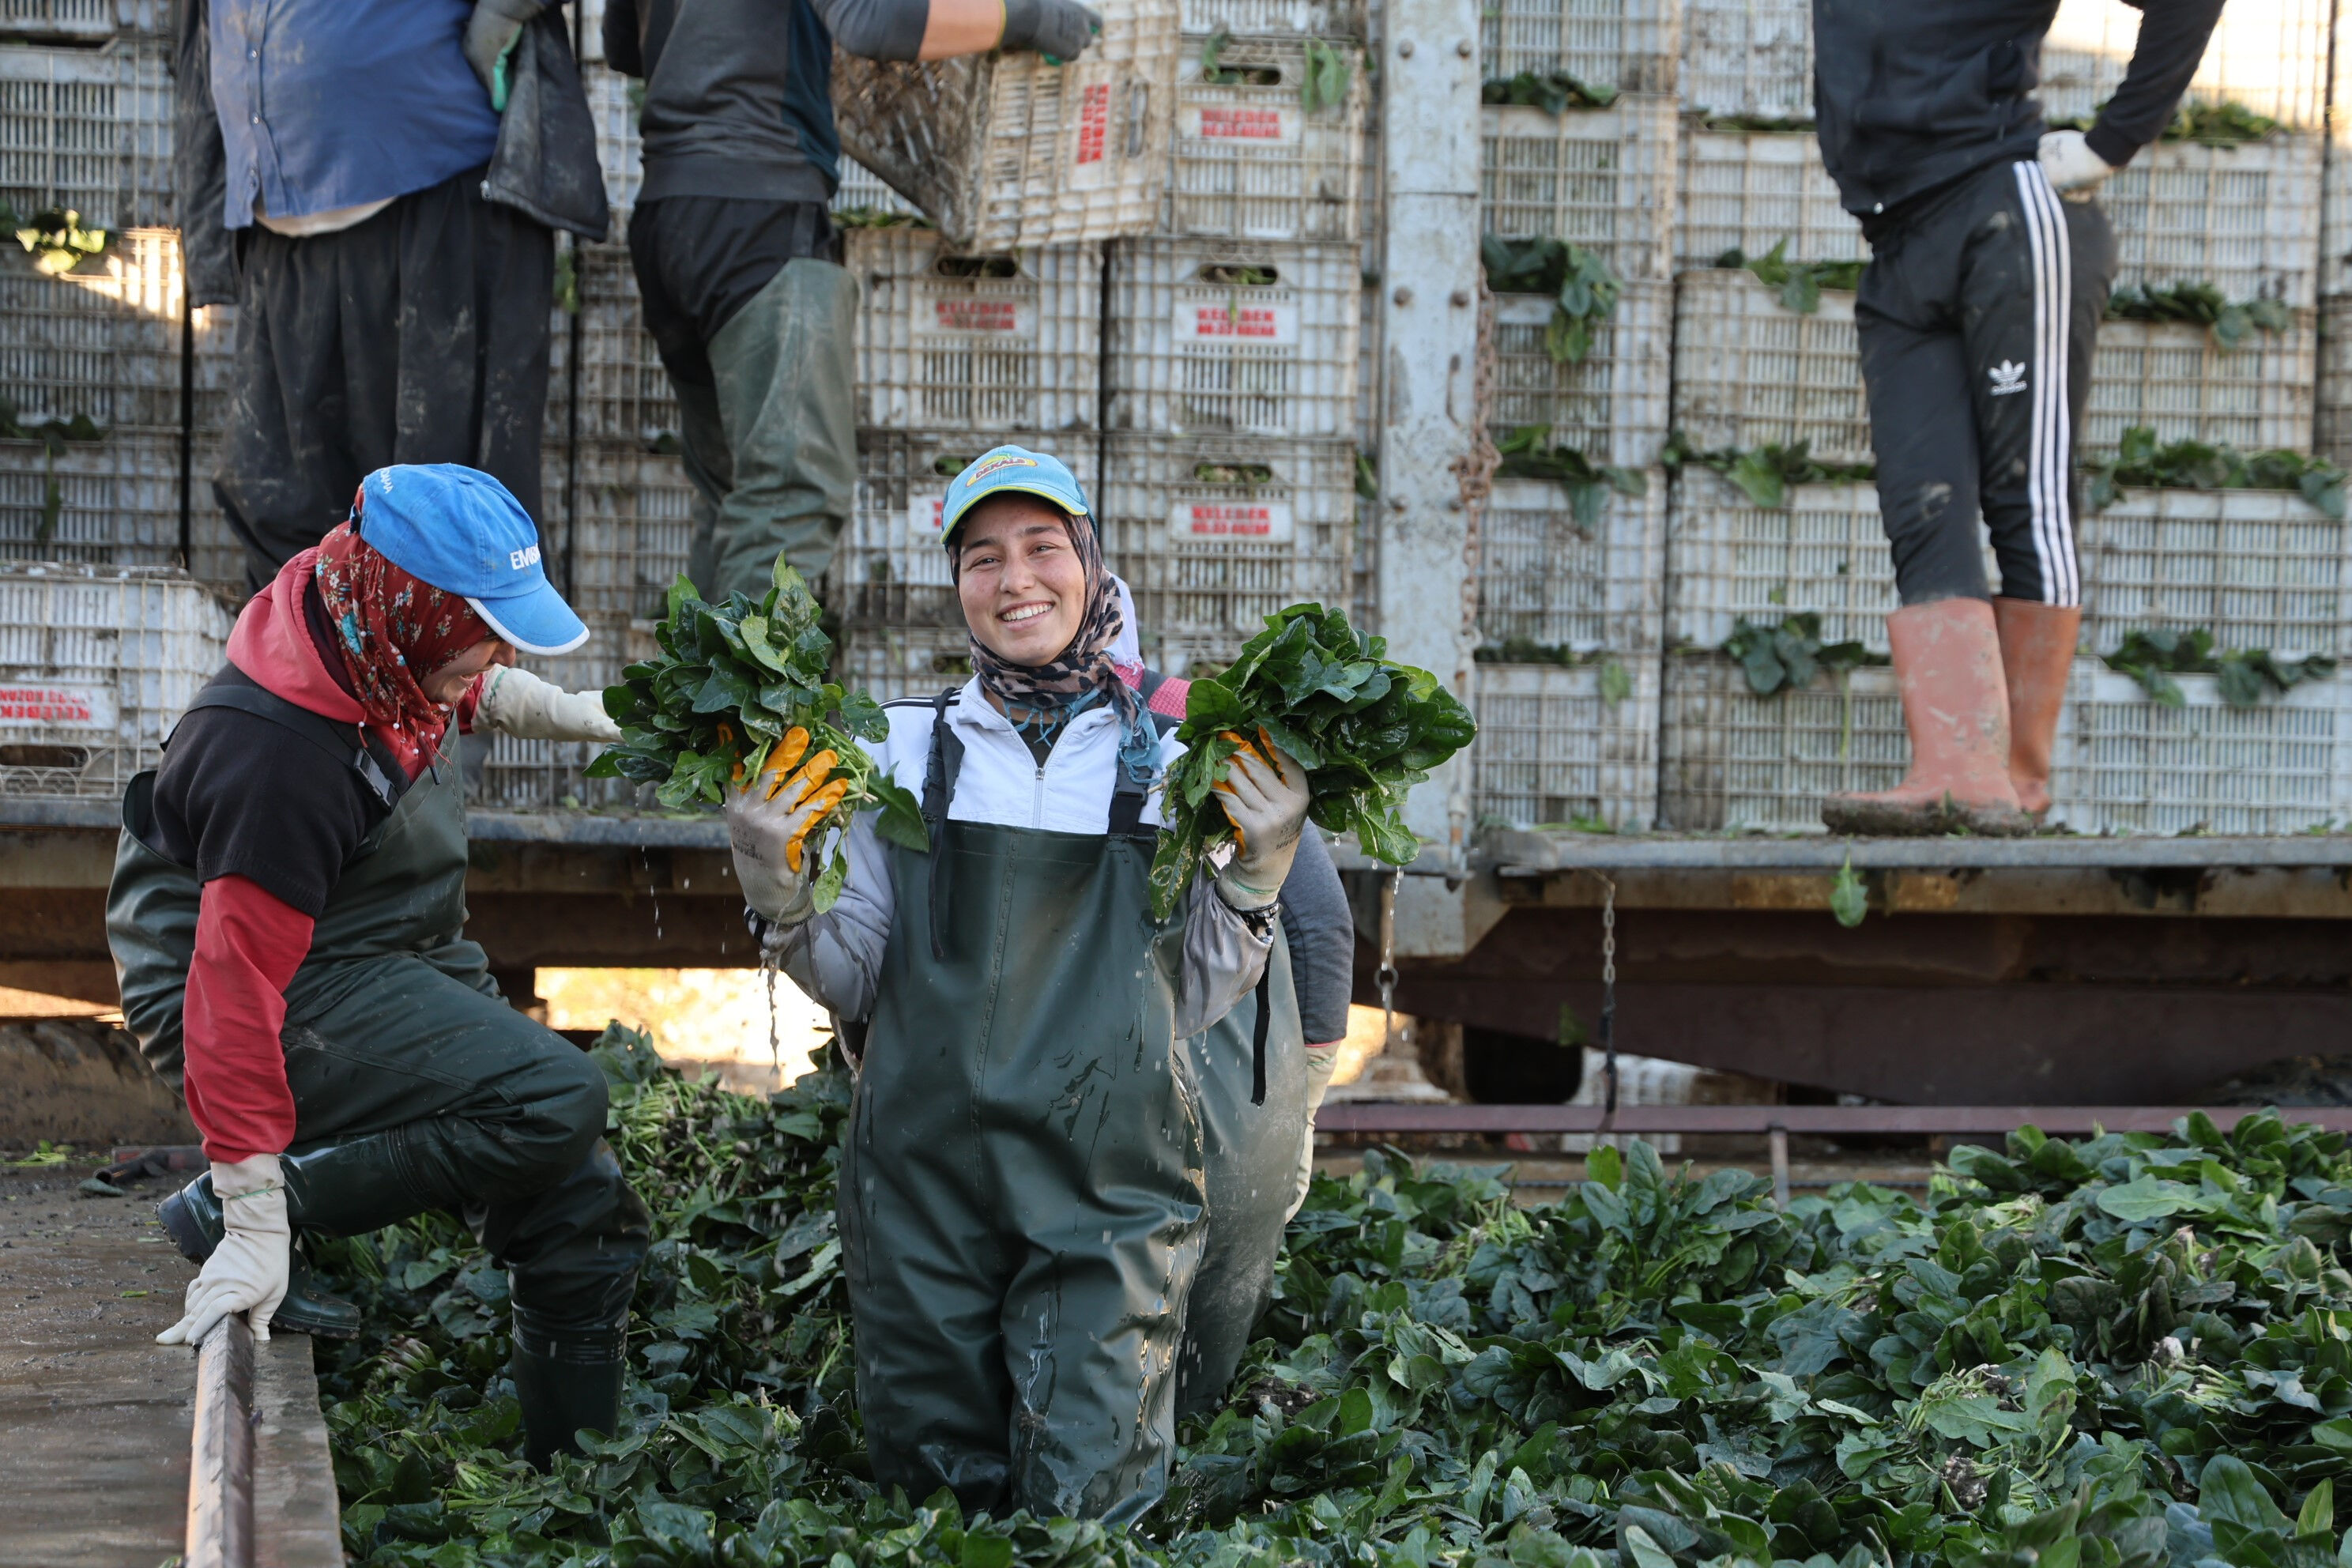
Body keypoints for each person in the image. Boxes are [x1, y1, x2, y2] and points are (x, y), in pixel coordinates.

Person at [726, 446, 1308, 1521]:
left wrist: (1257, 876)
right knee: (934, 1507)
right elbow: (857, 977)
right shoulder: (892, 754)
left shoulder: (1181, 766)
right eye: (982, 557)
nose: (1015, 580)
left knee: (1090, 1503)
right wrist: (784, 891)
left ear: (1091, 565)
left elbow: (1203, 987)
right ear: (958, 586)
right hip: (921, 1190)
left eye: (1043, 547)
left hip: (1109, 1192)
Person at [105, 465, 646, 1470]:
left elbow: (469, 679)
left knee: (582, 1189)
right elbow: (230, 997)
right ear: (419, 610)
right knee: (556, 1097)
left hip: (367, 937)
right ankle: (233, 1206)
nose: (495, 651)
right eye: (483, 627)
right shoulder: (281, 755)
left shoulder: (371, 619)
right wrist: (258, 1205)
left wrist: (589, 716)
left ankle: (571, 1491)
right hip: (242, 988)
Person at [1811, 0, 2223, 834]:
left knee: (2023, 496)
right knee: (1921, 508)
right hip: (1896, 241)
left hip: (2003, 205)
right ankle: (1955, 768)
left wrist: (2114, 141)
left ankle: (2016, 777)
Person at [602, 0, 1102, 601]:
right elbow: (876, 21)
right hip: (758, 212)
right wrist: (1027, 18)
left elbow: (625, 47)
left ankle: (693, 694)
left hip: (667, 214)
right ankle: (748, 695)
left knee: (735, 494)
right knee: (789, 495)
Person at [174, 0, 608, 592]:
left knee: (442, 531)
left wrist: (503, 13)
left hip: (435, 196)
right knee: (281, 518)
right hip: (281, 221)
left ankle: (456, 688)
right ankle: (315, 684)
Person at [1101, 584, 1356, 1418]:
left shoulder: (1189, 730)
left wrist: (1305, 1089)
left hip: (1211, 1063)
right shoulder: (981, 747)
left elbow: (1316, 916)